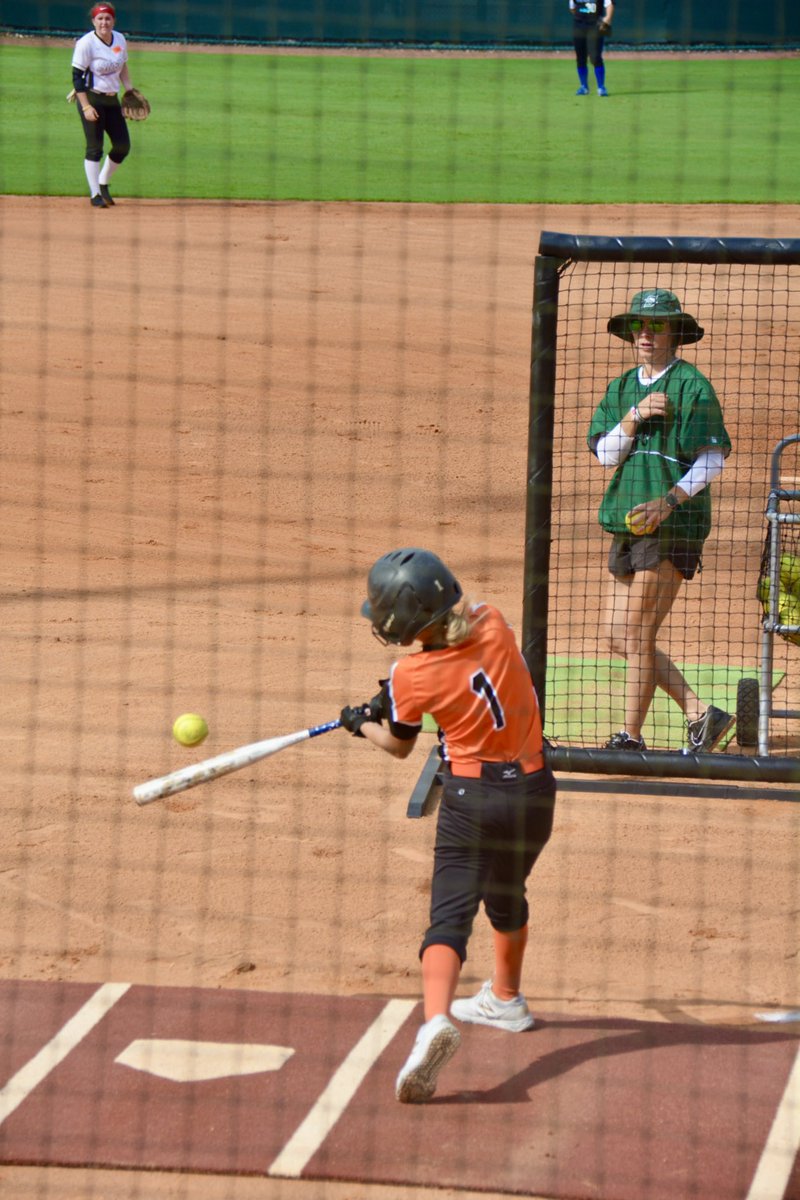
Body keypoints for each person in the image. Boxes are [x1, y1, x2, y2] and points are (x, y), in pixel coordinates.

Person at [340, 548, 556, 1103]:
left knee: (450, 914)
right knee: (507, 894)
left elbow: (398, 744)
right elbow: (463, 651)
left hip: (472, 799)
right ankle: (506, 998)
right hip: (534, 794)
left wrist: (361, 722)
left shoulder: (410, 674)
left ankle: (435, 1020)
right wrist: (392, 697)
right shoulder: (495, 621)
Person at [587, 289, 734, 754]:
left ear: (676, 333)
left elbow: (712, 461)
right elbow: (606, 456)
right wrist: (634, 415)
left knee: (637, 633)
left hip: (673, 523)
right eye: (640, 326)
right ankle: (700, 713)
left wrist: (667, 502)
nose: (646, 334)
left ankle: (630, 737)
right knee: (616, 635)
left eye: (657, 326)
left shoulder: (693, 386)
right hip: (627, 519)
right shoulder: (623, 388)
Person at [71, 3, 136, 207]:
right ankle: (95, 194)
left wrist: (129, 90)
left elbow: (122, 65)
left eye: (108, 18)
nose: (104, 22)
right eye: (100, 19)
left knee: (122, 145)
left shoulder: (119, 39)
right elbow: (77, 77)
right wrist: (86, 107)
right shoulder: (86, 43)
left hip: (112, 99)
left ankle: (103, 182)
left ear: (113, 20)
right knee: (95, 147)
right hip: (92, 99)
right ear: (93, 21)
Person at [570, 0, 614, 96]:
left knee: (596, 57)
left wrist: (607, 18)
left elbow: (609, 4)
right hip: (579, 26)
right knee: (580, 58)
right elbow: (572, 8)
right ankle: (584, 87)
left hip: (595, 26)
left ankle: (601, 87)